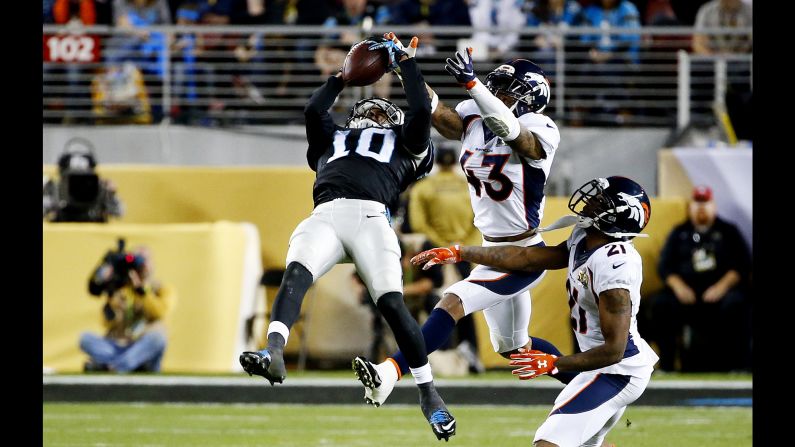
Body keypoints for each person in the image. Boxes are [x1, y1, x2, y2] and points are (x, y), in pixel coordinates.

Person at [238, 35, 457, 441]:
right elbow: (313, 108)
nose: (373, 111)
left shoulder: (406, 144)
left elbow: (422, 112)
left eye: (382, 110)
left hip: (373, 217)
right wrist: (342, 76)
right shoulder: (332, 139)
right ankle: (274, 351)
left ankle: (429, 394)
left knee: (392, 302)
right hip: (326, 213)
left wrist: (406, 64)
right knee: (296, 271)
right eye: (367, 105)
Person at [353, 34, 572, 408]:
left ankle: (390, 373)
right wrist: (406, 66)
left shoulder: (543, 128)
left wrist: (472, 84)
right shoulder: (475, 115)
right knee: (516, 349)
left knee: (452, 301)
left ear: (530, 96)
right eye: (496, 85)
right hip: (491, 246)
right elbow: (437, 111)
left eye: (507, 88)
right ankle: (589, 385)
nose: (497, 90)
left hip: (521, 251)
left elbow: (514, 134)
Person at [412, 176, 659, 447]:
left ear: (619, 215)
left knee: (547, 443)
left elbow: (614, 350)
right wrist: (461, 252)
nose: (589, 201)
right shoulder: (587, 238)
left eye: (600, 201)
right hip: (603, 369)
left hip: (616, 372)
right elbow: (526, 258)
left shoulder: (616, 266)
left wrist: (553, 363)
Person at [645, 185, 751, 372]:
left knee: (739, 304)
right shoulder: (679, 233)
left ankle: (738, 365)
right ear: (690, 206)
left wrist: (722, 287)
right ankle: (668, 365)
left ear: (714, 206)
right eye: (697, 202)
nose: (701, 207)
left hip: (721, 295)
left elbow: (742, 264)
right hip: (686, 296)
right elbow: (665, 267)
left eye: (705, 202)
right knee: (660, 305)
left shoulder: (728, 231)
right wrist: (679, 287)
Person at [408, 145, 484, 373]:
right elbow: (480, 221)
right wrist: (461, 248)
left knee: (437, 305)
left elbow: (419, 224)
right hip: (462, 254)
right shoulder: (470, 186)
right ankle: (471, 355)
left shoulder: (423, 187)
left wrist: (443, 246)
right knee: (466, 305)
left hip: (436, 253)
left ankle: (430, 360)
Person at [80, 239, 177, 373]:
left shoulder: (161, 289)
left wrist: (142, 291)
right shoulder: (122, 290)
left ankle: (112, 366)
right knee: (85, 339)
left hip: (143, 347)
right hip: (122, 344)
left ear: (152, 264)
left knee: (158, 338)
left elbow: (159, 312)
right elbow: (107, 322)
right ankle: (128, 365)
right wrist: (113, 296)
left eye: (143, 260)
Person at [43, 139, 125, 223]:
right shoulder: (55, 189)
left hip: (92, 230)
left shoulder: (99, 189)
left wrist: (111, 195)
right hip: (62, 230)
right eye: (73, 179)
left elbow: (118, 212)